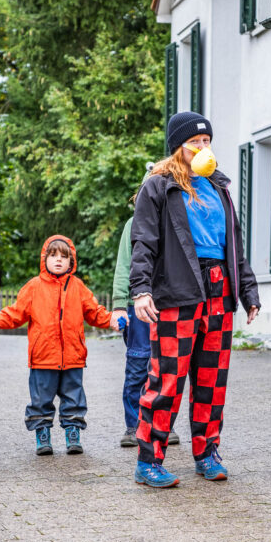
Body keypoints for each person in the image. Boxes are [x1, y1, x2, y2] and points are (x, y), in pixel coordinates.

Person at [129, 111, 261, 488]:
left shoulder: (219, 187)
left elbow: (233, 245)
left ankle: (206, 452)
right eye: (195, 142)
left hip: (219, 291)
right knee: (166, 379)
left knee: (212, 380)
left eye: (207, 142)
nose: (203, 147)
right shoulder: (158, 185)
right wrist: (140, 289)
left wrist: (247, 290)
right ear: (178, 147)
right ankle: (148, 460)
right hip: (177, 289)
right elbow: (144, 242)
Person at [0, 235, 117, 455]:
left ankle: (73, 432)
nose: (58, 260)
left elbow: (94, 312)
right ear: (44, 259)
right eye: (53, 255)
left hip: (73, 357)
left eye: (64, 257)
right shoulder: (34, 287)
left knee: (74, 398)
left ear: (71, 262)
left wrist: (112, 319)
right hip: (42, 358)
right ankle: (42, 434)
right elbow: (16, 312)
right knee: (40, 400)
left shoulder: (78, 287)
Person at [110, 167, 179, 449]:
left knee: (166, 366)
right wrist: (118, 305)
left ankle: (163, 425)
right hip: (137, 305)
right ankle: (133, 424)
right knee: (138, 364)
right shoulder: (133, 224)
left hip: (169, 304)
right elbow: (124, 265)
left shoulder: (177, 222)